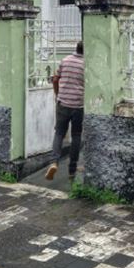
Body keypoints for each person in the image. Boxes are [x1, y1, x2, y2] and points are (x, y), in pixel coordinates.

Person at [45, 41, 84, 183]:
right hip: (79, 105)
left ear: (76, 49)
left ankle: (54, 162)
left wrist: (57, 94)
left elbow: (55, 79)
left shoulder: (65, 60)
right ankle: (72, 170)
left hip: (63, 103)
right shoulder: (87, 65)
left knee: (59, 133)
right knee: (76, 135)